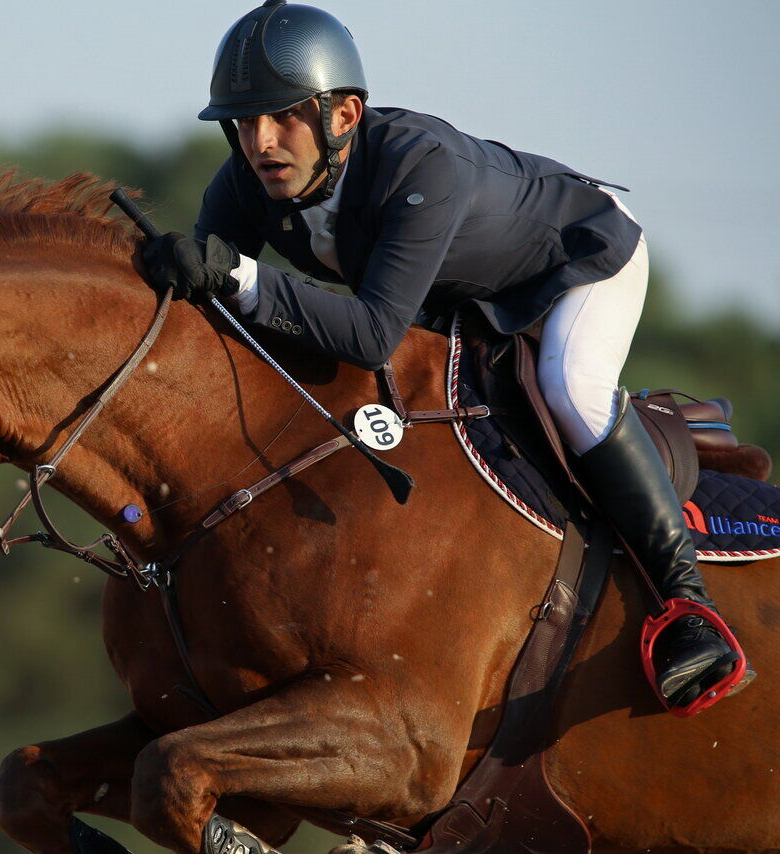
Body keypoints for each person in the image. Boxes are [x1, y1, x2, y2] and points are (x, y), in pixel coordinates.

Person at [142, 0, 752, 710]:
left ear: (343, 116)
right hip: (456, 293)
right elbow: (218, 316)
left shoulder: (415, 165)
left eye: (282, 117)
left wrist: (240, 276)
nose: (260, 141)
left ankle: (689, 608)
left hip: (578, 261)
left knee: (569, 386)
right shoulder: (247, 183)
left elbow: (370, 332)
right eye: (244, 122)